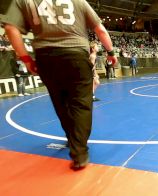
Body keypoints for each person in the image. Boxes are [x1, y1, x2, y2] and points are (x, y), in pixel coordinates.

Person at [2, 0, 117, 170]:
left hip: (46, 57)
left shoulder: (24, 1)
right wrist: (111, 53)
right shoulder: (79, 1)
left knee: (60, 102)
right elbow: (100, 29)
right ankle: (79, 151)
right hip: (76, 54)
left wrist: (26, 58)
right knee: (81, 103)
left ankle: (72, 137)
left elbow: (11, 28)